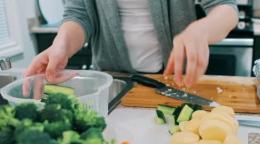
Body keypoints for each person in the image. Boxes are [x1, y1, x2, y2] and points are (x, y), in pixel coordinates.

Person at [26, 1, 239, 87]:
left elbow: (226, 8)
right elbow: (79, 14)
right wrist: (61, 43)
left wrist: (200, 30)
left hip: (177, 80)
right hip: (113, 81)